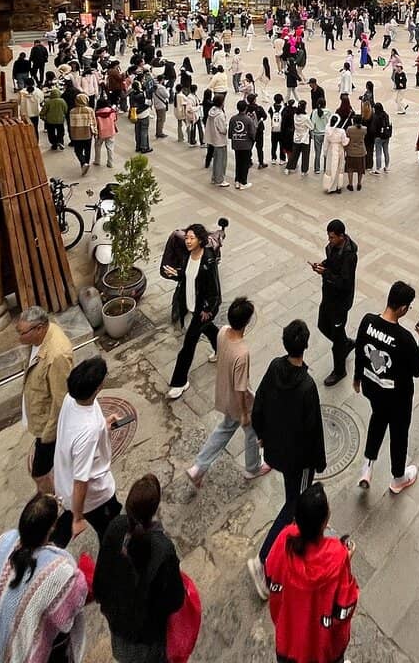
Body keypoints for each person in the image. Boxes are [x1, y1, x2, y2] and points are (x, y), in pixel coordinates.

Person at [248, 320, 327, 600]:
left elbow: (259, 405)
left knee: (292, 496)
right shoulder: (307, 386)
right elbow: (314, 430)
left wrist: (261, 435)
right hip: (299, 459)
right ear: (305, 345)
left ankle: (294, 539)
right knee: (295, 503)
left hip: (277, 451)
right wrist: (319, 462)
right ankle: (264, 559)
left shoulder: (273, 367)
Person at [0, 493, 89, 663]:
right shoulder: (60, 571)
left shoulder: (3, 541)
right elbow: (74, 603)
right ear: (52, 528)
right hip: (48, 653)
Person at [93, 474, 186, 663]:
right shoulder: (163, 549)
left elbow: (100, 579)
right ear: (155, 508)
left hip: (117, 625)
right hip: (147, 636)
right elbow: (175, 600)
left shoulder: (115, 526)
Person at [264, 483, 359, 663]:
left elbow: (270, 576)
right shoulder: (337, 556)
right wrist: (346, 560)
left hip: (288, 642)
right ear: (325, 522)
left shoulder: (285, 538)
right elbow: (345, 607)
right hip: (323, 650)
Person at [353, 280, 419, 494]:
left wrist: (357, 377)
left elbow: (359, 350)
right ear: (403, 308)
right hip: (398, 398)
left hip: (372, 389)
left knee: (377, 419)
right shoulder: (405, 338)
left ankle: (367, 467)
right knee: (399, 433)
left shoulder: (367, 321)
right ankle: (398, 478)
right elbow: (417, 369)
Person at [186, 297, 270, 485]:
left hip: (224, 392)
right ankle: (253, 468)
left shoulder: (223, 332)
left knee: (224, 429)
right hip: (240, 401)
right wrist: (245, 413)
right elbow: (241, 387)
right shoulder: (242, 352)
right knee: (252, 432)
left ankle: (199, 467)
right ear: (246, 322)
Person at [52, 356, 122, 548]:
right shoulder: (88, 432)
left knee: (63, 525)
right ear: (98, 387)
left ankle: (54, 543)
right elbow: (81, 480)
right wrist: (78, 518)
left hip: (64, 484)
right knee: (110, 530)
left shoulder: (71, 399)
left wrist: (103, 425)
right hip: (95, 496)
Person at [17, 306, 73, 493]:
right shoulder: (39, 340)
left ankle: (52, 500)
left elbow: (61, 400)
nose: (20, 338)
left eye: (23, 333)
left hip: (49, 428)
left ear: (39, 328)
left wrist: (48, 435)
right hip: (40, 418)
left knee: (39, 473)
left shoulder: (56, 355)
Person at [162, 224, 222, 399]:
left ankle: (179, 382)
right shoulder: (188, 255)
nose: (188, 241)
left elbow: (214, 290)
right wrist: (176, 273)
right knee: (209, 328)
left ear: (200, 240)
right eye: (186, 238)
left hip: (202, 310)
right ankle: (221, 349)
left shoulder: (208, 260)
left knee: (188, 345)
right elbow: (187, 275)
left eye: (192, 238)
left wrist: (208, 310)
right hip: (190, 303)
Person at [313, 219, 358, 386]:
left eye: (332, 237)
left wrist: (325, 273)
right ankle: (345, 343)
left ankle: (340, 370)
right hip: (328, 297)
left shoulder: (349, 256)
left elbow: (345, 283)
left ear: (341, 236)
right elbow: (331, 263)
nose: (329, 240)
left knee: (337, 339)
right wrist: (322, 265)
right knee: (322, 325)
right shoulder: (332, 247)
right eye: (328, 236)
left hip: (340, 303)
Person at [229, 99, 256, 188]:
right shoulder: (248, 120)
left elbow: (230, 133)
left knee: (238, 162)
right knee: (245, 163)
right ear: (245, 108)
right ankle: (243, 182)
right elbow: (252, 133)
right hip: (246, 144)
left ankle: (237, 180)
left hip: (236, 144)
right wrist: (252, 140)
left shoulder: (233, 119)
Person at [68, 93, 97, 175]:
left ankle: (83, 163)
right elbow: (93, 122)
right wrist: (95, 132)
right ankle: (86, 163)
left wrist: (71, 135)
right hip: (87, 134)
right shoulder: (90, 110)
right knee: (88, 150)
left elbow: (71, 124)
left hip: (76, 134)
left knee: (78, 151)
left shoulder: (72, 111)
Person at [322, 113, 349, 195]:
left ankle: (329, 186)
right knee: (339, 168)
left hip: (331, 150)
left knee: (330, 168)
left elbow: (325, 143)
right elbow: (344, 143)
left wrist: (325, 152)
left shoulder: (327, 130)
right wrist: (348, 139)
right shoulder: (342, 131)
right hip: (339, 150)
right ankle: (338, 187)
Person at [205, 93, 229, 186]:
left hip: (213, 139)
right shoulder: (220, 115)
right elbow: (223, 129)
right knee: (221, 161)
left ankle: (215, 177)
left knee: (216, 160)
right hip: (220, 140)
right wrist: (226, 127)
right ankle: (219, 179)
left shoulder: (212, 111)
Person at [94, 95, 118, 168]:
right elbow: (115, 119)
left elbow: (95, 124)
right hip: (110, 131)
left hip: (100, 133)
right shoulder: (112, 111)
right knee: (110, 148)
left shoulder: (97, 113)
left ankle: (97, 161)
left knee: (97, 146)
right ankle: (110, 163)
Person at [344, 114, 367, 191]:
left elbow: (347, 138)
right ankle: (359, 183)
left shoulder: (349, 129)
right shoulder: (364, 129)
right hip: (361, 151)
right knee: (360, 169)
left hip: (351, 151)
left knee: (350, 169)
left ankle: (350, 184)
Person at [42, 85, 68, 151]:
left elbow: (43, 111)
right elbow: (66, 110)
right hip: (60, 120)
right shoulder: (62, 101)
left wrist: (42, 117)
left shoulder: (48, 102)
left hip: (50, 121)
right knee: (60, 132)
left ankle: (54, 144)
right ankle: (60, 141)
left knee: (51, 133)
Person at [369, 101, 392, 173]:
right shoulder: (386, 115)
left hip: (378, 136)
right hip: (386, 136)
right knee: (386, 151)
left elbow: (373, 128)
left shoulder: (375, 116)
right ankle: (387, 166)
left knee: (378, 152)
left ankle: (378, 168)